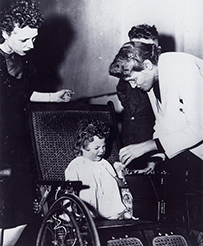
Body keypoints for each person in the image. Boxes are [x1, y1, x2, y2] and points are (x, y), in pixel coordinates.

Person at [0, 0, 73, 246]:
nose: (30, 46)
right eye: (24, 40)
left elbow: (23, 93)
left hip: (16, 142)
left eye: (33, 39)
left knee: (21, 214)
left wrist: (52, 97)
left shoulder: (21, 59)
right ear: (4, 33)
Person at [109, 41, 203, 225]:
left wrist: (146, 146)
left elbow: (199, 126)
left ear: (147, 65)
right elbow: (163, 124)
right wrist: (155, 159)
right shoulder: (153, 80)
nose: (134, 86)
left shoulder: (183, 68)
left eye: (133, 80)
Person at [112, 24, 161, 174]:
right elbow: (121, 90)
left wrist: (155, 158)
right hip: (129, 137)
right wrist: (130, 108)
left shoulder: (160, 79)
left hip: (151, 143)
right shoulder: (129, 73)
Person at [65, 119, 132, 220]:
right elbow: (69, 190)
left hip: (109, 210)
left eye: (103, 146)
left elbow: (116, 181)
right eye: (97, 148)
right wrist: (69, 212)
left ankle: (118, 212)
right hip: (88, 211)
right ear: (83, 147)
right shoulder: (77, 165)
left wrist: (120, 179)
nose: (102, 151)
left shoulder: (104, 164)